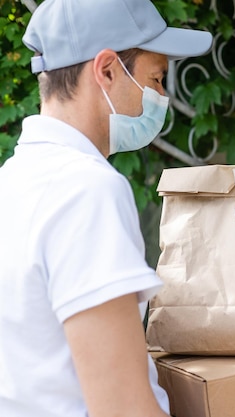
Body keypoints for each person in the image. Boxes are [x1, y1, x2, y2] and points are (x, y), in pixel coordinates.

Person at [0, 1, 212, 416]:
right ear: (108, 70)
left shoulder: (12, 180)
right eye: (156, 78)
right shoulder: (86, 190)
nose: (162, 97)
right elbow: (123, 408)